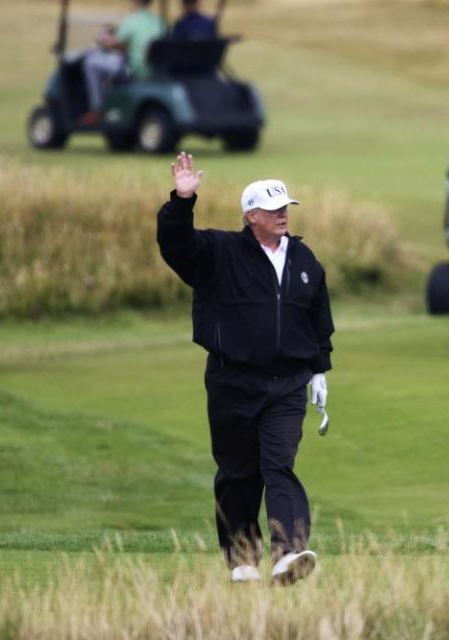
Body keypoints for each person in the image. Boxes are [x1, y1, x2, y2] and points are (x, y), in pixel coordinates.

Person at [157, 152, 334, 585]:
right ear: (250, 215)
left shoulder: (304, 260)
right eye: (273, 210)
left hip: (286, 383)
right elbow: (175, 245)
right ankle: (242, 558)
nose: (282, 216)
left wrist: (319, 370)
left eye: (285, 209)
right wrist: (183, 199)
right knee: (238, 472)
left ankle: (288, 554)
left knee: (279, 466)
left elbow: (317, 320)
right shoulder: (218, 252)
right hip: (231, 380)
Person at [80, 0, 165, 124]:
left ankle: (96, 109)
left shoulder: (131, 21)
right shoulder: (159, 21)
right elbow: (131, 46)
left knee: (91, 62)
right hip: (155, 69)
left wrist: (103, 39)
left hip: (135, 69)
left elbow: (115, 44)